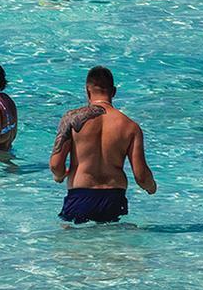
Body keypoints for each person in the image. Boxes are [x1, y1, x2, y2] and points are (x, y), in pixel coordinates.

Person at [50, 66, 155, 224]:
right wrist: (151, 187)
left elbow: (56, 165)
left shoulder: (71, 119)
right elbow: (141, 176)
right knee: (112, 239)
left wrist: (59, 176)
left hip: (80, 196)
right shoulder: (130, 126)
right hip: (114, 198)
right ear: (114, 92)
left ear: (87, 90)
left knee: (72, 238)